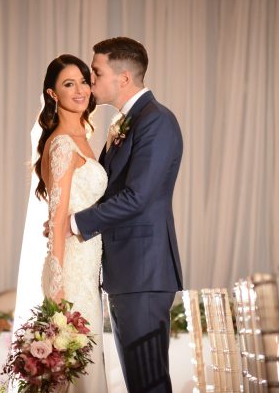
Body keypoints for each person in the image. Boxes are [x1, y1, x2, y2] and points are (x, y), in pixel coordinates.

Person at [70, 37, 184, 392]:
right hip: (127, 272)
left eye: (97, 72)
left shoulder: (157, 121)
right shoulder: (127, 122)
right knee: (139, 384)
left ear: (123, 78)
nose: (90, 79)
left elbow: (138, 197)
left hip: (144, 271)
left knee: (149, 383)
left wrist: (74, 223)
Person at [35, 54, 108, 392]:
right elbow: (58, 218)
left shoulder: (83, 139)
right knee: (80, 374)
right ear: (53, 94)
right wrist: (58, 287)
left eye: (83, 81)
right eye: (69, 84)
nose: (80, 90)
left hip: (88, 269)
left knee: (83, 371)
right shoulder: (63, 143)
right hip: (71, 273)